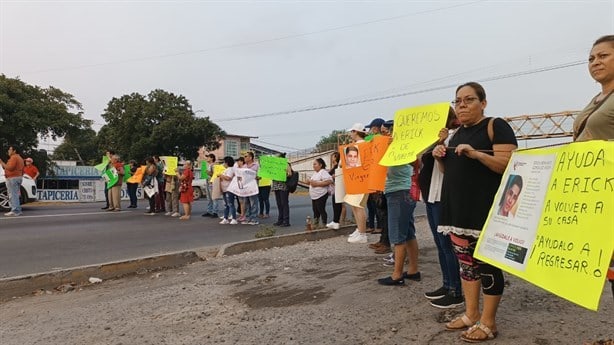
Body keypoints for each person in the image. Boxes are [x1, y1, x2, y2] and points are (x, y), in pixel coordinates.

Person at [433, 82, 517, 342]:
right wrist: (439, 156)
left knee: (487, 265)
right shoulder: (456, 135)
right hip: (457, 213)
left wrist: (477, 155)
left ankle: (488, 323)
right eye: (458, 101)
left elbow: (507, 165)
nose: (462, 105)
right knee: (466, 266)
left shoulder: (496, 125)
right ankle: (471, 314)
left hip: (485, 211)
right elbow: (451, 171)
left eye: (469, 100)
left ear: (483, 103)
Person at [573, 35, 614, 299]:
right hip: (598, 197)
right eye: (591, 58)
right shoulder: (597, 98)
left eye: (603, 56)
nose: (595, 62)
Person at [419, 108, 464, 309]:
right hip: (429, 196)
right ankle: (447, 285)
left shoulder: (454, 136)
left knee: (447, 246)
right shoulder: (430, 139)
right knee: (439, 244)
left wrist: (441, 142)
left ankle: (456, 290)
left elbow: (446, 161)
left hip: (440, 196)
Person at [377, 120, 421, 286]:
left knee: (398, 236)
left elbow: (414, 163)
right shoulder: (399, 146)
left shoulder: (401, 147)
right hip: (401, 191)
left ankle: (397, 274)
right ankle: (413, 270)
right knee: (408, 232)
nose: (385, 134)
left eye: (386, 131)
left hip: (399, 192)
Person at [345, 123, 369, 244]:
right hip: (356, 178)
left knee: (358, 206)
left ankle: (362, 233)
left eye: (351, 132)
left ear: (355, 132)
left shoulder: (359, 146)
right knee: (355, 205)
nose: (350, 134)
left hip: (359, 178)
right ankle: (359, 229)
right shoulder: (359, 145)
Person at [0, 145, 24, 216]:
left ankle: (15, 211)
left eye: (10, 149)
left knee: (13, 195)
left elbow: (10, 168)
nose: (8, 151)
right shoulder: (20, 158)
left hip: (12, 178)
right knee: (15, 195)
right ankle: (17, 209)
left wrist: (2, 162)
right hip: (17, 177)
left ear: (14, 151)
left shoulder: (14, 157)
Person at [309, 158, 333, 229]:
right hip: (314, 196)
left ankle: (324, 223)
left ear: (320, 165)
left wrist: (316, 184)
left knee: (321, 209)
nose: (313, 166)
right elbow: (313, 183)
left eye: (315, 164)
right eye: (313, 164)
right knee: (315, 210)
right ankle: (316, 224)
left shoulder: (323, 172)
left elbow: (329, 181)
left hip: (321, 195)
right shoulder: (315, 173)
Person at [272, 153, 292, 227]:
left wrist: (283, 174)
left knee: (284, 204)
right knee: (279, 204)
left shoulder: (286, 164)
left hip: (283, 186)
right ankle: (280, 220)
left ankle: (286, 221)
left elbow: (289, 174)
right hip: (276, 186)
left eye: (276, 157)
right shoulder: (274, 165)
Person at [326, 151, 344, 230]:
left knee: (338, 204)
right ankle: (336, 221)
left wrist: (333, 177)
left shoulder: (339, 166)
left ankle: (337, 221)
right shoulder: (335, 166)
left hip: (338, 186)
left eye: (333, 157)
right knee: (336, 203)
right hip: (335, 187)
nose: (332, 158)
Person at [219, 156, 238, 225]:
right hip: (224, 189)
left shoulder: (230, 169)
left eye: (224, 162)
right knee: (226, 204)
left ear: (226, 162)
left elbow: (228, 178)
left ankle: (234, 218)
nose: (223, 164)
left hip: (229, 189)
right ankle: (225, 218)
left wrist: (221, 176)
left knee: (230, 204)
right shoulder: (226, 169)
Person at [202, 154, 220, 218]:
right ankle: (209, 211)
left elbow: (216, 174)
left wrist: (209, 173)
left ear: (212, 158)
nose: (207, 158)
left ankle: (215, 212)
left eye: (208, 157)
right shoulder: (208, 165)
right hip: (208, 182)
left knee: (214, 198)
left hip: (212, 183)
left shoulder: (214, 165)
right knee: (209, 198)